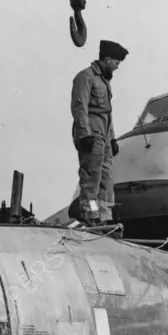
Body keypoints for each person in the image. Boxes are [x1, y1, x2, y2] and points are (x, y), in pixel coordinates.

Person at [70, 39, 128, 225]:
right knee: (91, 178)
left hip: (104, 135)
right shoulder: (85, 77)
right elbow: (80, 107)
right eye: (116, 63)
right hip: (92, 134)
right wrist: (84, 134)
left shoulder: (104, 81)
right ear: (107, 59)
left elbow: (108, 114)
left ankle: (104, 217)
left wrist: (112, 138)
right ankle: (91, 216)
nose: (118, 67)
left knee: (106, 179)